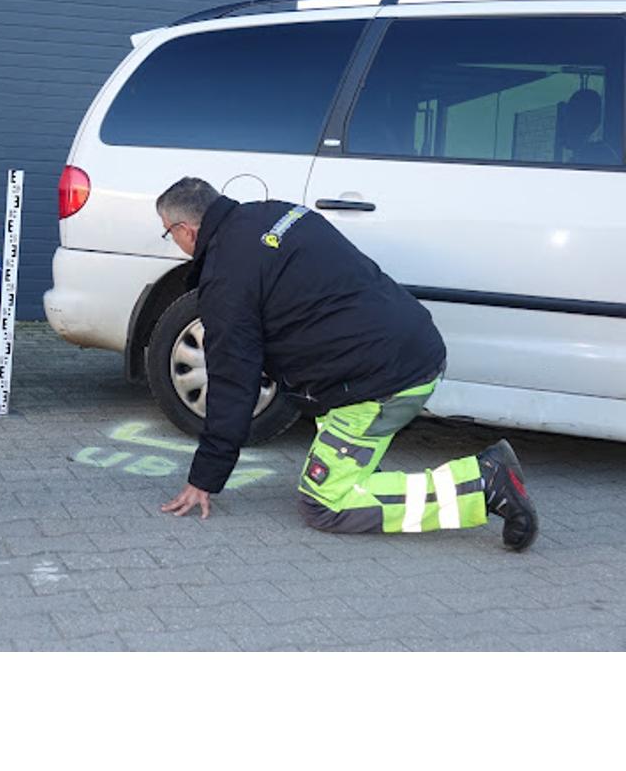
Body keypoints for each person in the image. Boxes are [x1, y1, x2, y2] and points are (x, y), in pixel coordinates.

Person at [155, 177, 539, 550]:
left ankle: (481, 482)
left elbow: (233, 381)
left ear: (185, 229)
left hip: (381, 380)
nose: (175, 242)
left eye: (168, 234)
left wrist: (205, 477)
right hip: (411, 347)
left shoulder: (227, 278)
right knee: (329, 418)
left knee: (324, 504)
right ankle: (363, 469)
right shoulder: (276, 213)